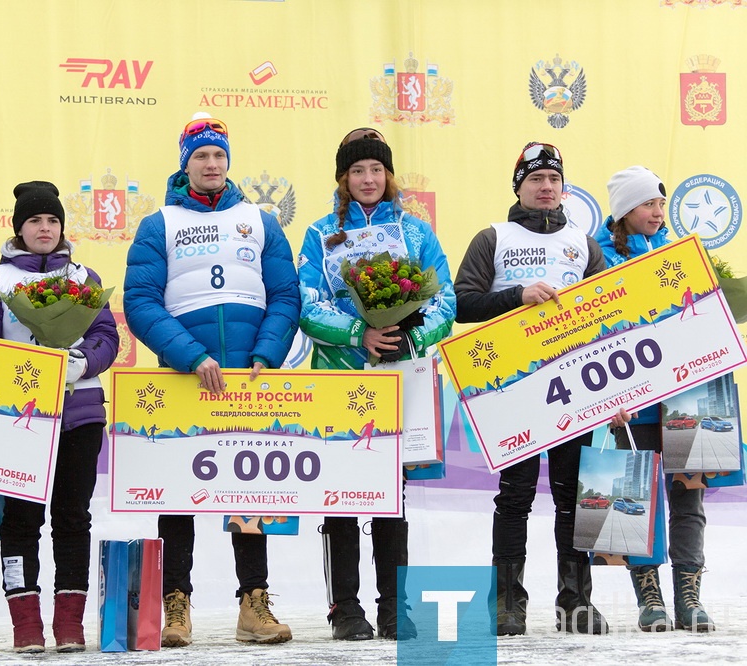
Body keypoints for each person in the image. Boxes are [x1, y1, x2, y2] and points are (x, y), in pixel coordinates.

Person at [123, 114, 301, 647]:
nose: (212, 164)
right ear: (185, 163)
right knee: (179, 494)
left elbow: (285, 295)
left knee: (248, 491)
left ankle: (254, 604)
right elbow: (139, 301)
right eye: (201, 156)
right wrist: (190, 356)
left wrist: (267, 354)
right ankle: (175, 606)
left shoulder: (260, 220)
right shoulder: (159, 224)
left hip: (248, 376)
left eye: (219, 155)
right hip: (186, 379)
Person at [296, 127, 456, 640]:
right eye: (357, 170)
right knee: (340, 495)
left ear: (389, 176)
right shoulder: (320, 233)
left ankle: (394, 608)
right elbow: (307, 301)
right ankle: (345, 608)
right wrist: (356, 331)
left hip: (397, 374)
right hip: (338, 373)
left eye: (377, 169)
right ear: (343, 178)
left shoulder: (415, 232)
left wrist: (408, 335)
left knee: (392, 496)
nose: (368, 178)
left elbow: (443, 299)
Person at [453, 142, 609, 635]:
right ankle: (507, 603)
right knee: (514, 496)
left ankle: (575, 601)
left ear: (564, 188)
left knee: (572, 497)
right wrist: (517, 296)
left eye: (554, 180)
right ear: (518, 185)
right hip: (512, 391)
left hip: (575, 390)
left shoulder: (583, 244)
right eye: (535, 179)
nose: (546, 187)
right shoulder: (492, 238)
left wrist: (621, 396)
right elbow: (462, 303)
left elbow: (612, 320)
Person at [0, 181, 120, 652]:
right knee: (21, 518)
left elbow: (107, 337)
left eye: (52, 220)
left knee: (73, 516)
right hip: (22, 419)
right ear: (18, 228)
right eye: (35, 220)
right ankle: (26, 624)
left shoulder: (85, 277)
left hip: (81, 414)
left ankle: (70, 624)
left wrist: (81, 362)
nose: (45, 228)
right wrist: (24, 363)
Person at [593, 165, 714, 632]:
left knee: (688, 499)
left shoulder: (679, 253)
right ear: (624, 210)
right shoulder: (597, 257)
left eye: (661, 204)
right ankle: (650, 598)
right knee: (632, 498)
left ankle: (690, 596)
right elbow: (592, 338)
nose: (658, 212)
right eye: (648, 203)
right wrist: (605, 398)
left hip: (686, 399)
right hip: (631, 402)